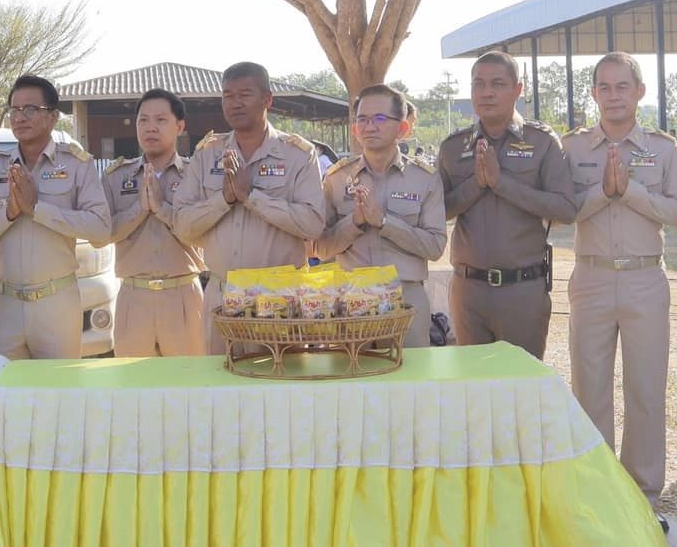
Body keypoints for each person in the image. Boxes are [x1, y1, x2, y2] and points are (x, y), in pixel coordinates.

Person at [566, 52, 677, 523]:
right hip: (592, 277)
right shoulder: (574, 148)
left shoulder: (663, 150)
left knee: (645, 390)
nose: (613, 95)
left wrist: (634, 193)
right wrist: (603, 191)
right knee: (590, 391)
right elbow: (558, 210)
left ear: (640, 92)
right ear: (594, 93)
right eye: (604, 86)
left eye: (623, 86)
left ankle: (643, 500)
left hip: (644, 277)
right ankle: (600, 501)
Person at [172, 62, 328, 348]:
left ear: (267, 99)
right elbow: (182, 225)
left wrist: (252, 197)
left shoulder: (297, 154)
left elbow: (313, 224)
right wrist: (225, 200)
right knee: (219, 386)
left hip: (278, 298)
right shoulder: (207, 154)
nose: (235, 103)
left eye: (245, 94)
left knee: (279, 388)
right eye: (228, 95)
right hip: (221, 295)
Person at [437, 53, 573, 357]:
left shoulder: (542, 142)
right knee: (473, 390)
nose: (487, 92)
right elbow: (438, 211)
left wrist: (503, 185)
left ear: (518, 89)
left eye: (497, 83)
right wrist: (476, 185)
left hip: (522, 289)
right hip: (468, 290)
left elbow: (565, 208)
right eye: (479, 84)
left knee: (520, 391)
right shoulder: (453, 147)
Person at [0, 75, 111, 359]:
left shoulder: (76, 165)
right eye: (14, 110)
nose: (20, 117)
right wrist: (8, 213)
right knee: (4, 391)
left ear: (53, 117)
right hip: (5, 302)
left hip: (56, 301)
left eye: (30, 109)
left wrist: (38, 210)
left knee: (58, 392)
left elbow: (101, 229)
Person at [320, 84, 447, 347]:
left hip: (406, 300)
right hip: (353, 301)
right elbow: (320, 248)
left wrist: (385, 222)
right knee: (354, 385)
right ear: (355, 129)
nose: (369, 127)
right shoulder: (337, 177)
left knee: (410, 383)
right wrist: (354, 222)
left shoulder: (424, 178)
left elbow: (435, 247)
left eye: (379, 119)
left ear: (402, 128)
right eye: (362, 120)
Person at [104, 89, 206, 356]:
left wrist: (162, 209)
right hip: (133, 297)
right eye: (143, 120)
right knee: (133, 390)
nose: (151, 128)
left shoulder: (196, 175)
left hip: (183, 294)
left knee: (188, 387)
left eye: (161, 120)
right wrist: (140, 209)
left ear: (180, 126)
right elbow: (103, 233)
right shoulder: (117, 176)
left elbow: (203, 233)